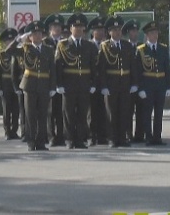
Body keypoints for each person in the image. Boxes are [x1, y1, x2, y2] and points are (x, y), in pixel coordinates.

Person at [56, 12, 98, 149]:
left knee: (82, 113)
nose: (79, 29)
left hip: (84, 83)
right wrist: (59, 84)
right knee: (68, 113)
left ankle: (80, 139)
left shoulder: (89, 46)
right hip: (68, 83)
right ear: (70, 29)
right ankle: (69, 139)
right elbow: (58, 66)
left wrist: (93, 83)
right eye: (76, 27)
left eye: (81, 27)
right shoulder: (62, 45)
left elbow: (94, 66)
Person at [97, 15, 137, 148]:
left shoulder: (127, 46)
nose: (117, 32)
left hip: (125, 83)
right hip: (111, 83)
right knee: (111, 113)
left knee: (124, 111)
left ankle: (123, 137)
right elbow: (101, 68)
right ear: (109, 32)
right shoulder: (104, 46)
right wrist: (103, 85)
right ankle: (112, 138)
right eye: (114, 30)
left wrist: (134, 83)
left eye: (119, 29)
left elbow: (132, 66)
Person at [18, 20, 56, 151]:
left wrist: (52, 87)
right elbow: (9, 51)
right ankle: (31, 141)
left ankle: (41, 142)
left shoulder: (48, 50)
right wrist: (19, 40)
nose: (38, 36)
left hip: (44, 84)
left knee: (43, 115)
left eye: (40, 33)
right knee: (30, 115)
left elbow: (53, 69)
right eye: (34, 33)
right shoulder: (25, 48)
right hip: (29, 85)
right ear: (30, 36)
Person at [135, 20, 170, 146]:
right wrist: (140, 88)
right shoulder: (141, 50)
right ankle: (149, 137)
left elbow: (167, 68)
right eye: (152, 33)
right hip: (148, 85)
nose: (154, 35)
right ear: (147, 35)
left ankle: (157, 137)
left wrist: (169, 86)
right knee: (147, 113)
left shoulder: (163, 48)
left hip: (160, 85)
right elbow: (138, 71)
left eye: (156, 32)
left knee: (159, 113)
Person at [0, 27, 22, 140]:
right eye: (8, 41)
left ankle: (14, 131)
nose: (10, 42)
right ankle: (7, 131)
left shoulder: (18, 53)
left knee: (16, 109)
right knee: (7, 109)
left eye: (12, 40)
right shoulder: (1, 55)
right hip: (5, 84)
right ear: (5, 42)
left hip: (17, 84)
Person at [44, 13, 67, 146]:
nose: (57, 29)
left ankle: (61, 136)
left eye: (58, 26)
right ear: (49, 28)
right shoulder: (45, 42)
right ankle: (51, 136)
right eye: (54, 26)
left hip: (63, 80)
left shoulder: (65, 42)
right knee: (51, 111)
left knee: (62, 111)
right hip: (49, 81)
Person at [87, 16, 110, 146]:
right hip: (91, 83)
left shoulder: (107, 45)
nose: (100, 32)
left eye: (102, 30)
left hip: (104, 83)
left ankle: (103, 136)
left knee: (104, 111)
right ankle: (91, 136)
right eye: (97, 30)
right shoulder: (88, 45)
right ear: (92, 32)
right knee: (91, 112)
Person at [123, 19, 145, 143]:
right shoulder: (125, 46)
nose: (135, 33)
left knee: (141, 111)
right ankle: (128, 134)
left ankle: (140, 135)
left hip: (141, 84)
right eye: (132, 31)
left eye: (136, 31)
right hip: (128, 84)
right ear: (128, 33)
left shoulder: (142, 46)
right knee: (128, 111)